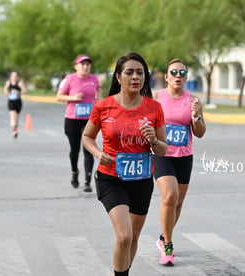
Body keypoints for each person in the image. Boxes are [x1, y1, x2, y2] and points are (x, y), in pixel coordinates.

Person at [82, 52, 168, 276]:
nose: (135, 77)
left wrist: (153, 140)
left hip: (141, 181)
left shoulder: (154, 108)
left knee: (134, 238)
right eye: (129, 72)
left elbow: (162, 149)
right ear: (118, 77)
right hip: (111, 178)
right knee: (124, 236)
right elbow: (86, 137)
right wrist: (98, 154)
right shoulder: (103, 106)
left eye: (140, 72)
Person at [152, 59, 206, 266]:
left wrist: (196, 118)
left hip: (184, 156)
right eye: (173, 72)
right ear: (166, 76)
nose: (177, 75)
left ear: (186, 77)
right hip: (162, 154)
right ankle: (168, 245)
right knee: (170, 196)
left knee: (178, 202)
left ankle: (162, 236)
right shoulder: (157, 98)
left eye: (182, 72)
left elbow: (200, 133)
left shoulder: (193, 100)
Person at [56, 55, 100, 192]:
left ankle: (87, 181)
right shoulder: (69, 79)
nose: (86, 67)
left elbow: (97, 96)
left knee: (88, 149)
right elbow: (59, 96)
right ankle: (74, 172)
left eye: (88, 64)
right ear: (76, 66)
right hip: (72, 119)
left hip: (89, 119)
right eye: (83, 64)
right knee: (74, 149)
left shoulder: (94, 79)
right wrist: (73, 97)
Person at [3, 71, 27, 138]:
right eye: (13, 76)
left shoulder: (19, 83)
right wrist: (9, 92)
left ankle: (15, 129)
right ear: (11, 77)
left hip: (18, 102)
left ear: (17, 77)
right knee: (12, 116)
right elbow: (5, 90)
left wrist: (18, 92)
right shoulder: (8, 83)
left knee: (16, 118)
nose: (14, 77)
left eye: (15, 76)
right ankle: (14, 131)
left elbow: (25, 91)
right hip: (11, 101)